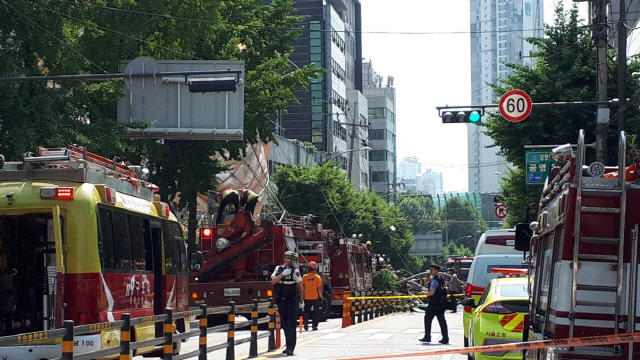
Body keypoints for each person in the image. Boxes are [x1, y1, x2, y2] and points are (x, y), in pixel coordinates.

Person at [271, 251, 304, 356]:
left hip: (292, 301)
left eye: (293, 260)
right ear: (285, 259)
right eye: (289, 259)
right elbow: (273, 281)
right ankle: (288, 344)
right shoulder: (278, 269)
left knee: (291, 324)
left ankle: (291, 347)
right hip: (281, 300)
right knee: (284, 324)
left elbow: (299, 287)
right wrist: (282, 274)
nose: (291, 262)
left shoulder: (295, 271)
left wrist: (301, 302)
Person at [419, 264, 449, 344]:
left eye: (432, 269)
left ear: (437, 270)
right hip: (442, 302)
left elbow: (431, 293)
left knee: (428, 319)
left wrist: (424, 292)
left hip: (434, 303)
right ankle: (445, 338)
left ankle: (427, 337)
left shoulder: (434, 280)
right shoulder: (441, 278)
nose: (431, 271)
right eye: (430, 269)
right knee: (442, 320)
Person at [302, 261, 323, 331]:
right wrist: (321, 296)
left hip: (307, 297)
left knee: (306, 311)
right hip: (315, 297)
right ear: (315, 268)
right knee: (316, 312)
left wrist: (302, 296)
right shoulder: (317, 277)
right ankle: (314, 325)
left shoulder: (304, 277)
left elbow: (302, 287)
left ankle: (305, 321)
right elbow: (319, 288)